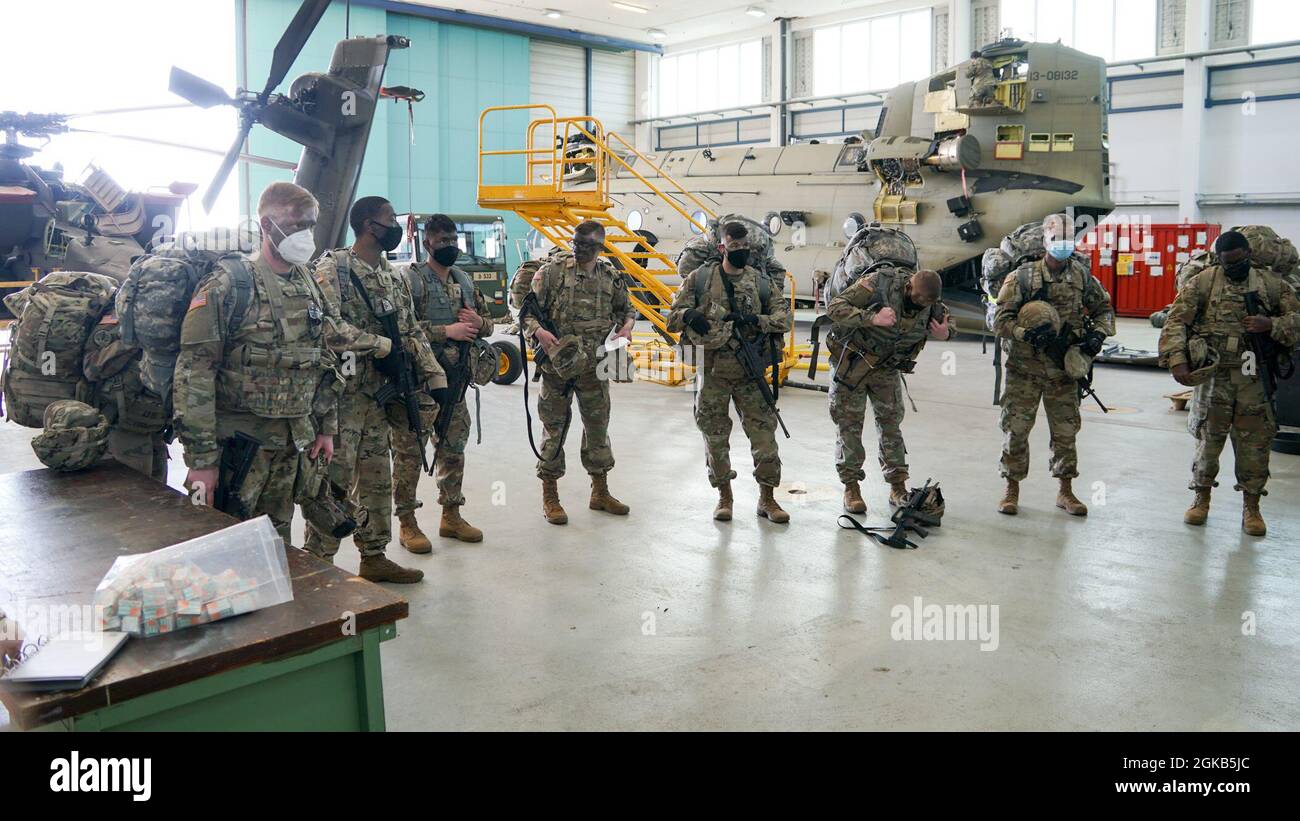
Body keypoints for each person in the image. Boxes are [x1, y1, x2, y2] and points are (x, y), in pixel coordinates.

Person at [175, 182, 350, 547]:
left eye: (311, 224)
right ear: (267, 226)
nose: (305, 233)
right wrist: (202, 461)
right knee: (226, 547)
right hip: (241, 447)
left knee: (276, 543)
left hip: (292, 444)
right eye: (296, 223)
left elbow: (324, 358)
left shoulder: (308, 281)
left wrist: (326, 427)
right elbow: (195, 374)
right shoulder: (229, 285)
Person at [308, 196, 446, 583]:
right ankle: (319, 563)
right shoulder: (333, 268)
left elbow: (411, 328)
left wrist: (432, 372)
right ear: (371, 225)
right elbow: (326, 328)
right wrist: (379, 345)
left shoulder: (392, 274)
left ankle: (374, 556)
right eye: (390, 220)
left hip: (378, 396)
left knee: (376, 480)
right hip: (340, 400)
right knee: (333, 481)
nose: (396, 227)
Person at [1158, 230, 1299, 536]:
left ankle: (1252, 508)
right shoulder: (1204, 281)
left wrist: (1270, 325)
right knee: (1208, 441)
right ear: (1219, 259)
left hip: (1254, 378)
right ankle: (1201, 498)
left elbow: (1296, 320)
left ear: (1249, 254)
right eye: (1227, 262)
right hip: (1215, 377)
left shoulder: (1271, 284)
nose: (1233, 267)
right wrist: (1177, 360)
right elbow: (1177, 320)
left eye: (1239, 261)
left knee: (1254, 446)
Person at [667, 220, 792, 522]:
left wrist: (755, 321)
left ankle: (767, 499)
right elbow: (671, 318)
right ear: (722, 248)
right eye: (735, 248)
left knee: (764, 437)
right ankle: (725, 497)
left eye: (745, 248)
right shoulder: (700, 278)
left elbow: (784, 318)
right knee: (715, 437)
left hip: (750, 373)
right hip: (713, 373)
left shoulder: (761, 282)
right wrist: (689, 314)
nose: (741, 253)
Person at [993, 213, 1115, 516]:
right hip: (1025, 369)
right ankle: (1011, 489)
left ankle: (1065, 491)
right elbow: (1000, 321)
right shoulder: (1022, 277)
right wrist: (1025, 333)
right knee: (1016, 430)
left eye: (1069, 238)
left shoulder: (1082, 276)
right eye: (1058, 238)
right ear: (1045, 240)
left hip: (1063, 369)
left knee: (1065, 431)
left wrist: (1097, 337)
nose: (1064, 244)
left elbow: (1104, 309)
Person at [522, 219, 636, 524]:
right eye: (576, 242)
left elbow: (627, 309)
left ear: (600, 247)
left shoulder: (610, 277)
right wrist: (539, 333)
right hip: (559, 365)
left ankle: (600, 491)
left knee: (597, 427)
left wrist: (626, 327)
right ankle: (550, 496)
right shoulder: (553, 273)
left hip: (596, 365)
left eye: (587, 245)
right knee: (554, 429)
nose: (579, 249)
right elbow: (525, 312)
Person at [393, 214, 494, 547]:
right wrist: (445, 331)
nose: (450, 246)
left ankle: (451, 515)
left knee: (453, 451)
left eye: (454, 240)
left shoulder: (464, 280)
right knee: (409, 455)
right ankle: (407, 523)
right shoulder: (411, 280)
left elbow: (491, 325)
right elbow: (398, 331)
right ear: (427, 244)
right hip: (420, 385)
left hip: (456, 383)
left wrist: (480, 322)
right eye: (443, 241)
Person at [826, 268, 953, 513]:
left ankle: (897, 486)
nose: (920, 306)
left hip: (887, 369)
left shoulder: (930, 302)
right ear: (908, 288)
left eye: (927, 303)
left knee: (891, 426)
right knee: (849, 425)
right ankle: (851, 488)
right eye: (917, 300)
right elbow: (835, 307)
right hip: (854, 364)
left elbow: (948, 322)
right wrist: (870, 318)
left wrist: (945, 333)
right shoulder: (878, 284)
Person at [82, 312, 169, 482]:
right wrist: (131, 341)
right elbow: (92, 368)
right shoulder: (120, 319)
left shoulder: (172, 318)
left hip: (155, 428)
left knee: (158, 499)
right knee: (127, 497)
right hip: (122, 428)